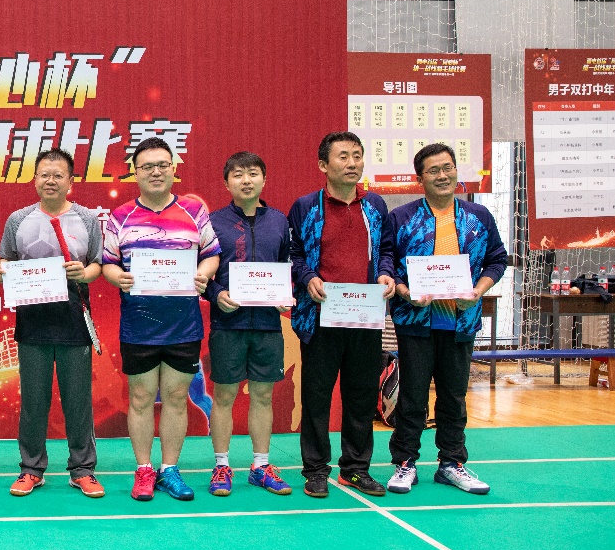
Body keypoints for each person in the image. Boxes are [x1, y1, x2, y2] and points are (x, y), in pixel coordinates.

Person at [101, 137, 221, 502]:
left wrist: (203, 274)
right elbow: (108, 262)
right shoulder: (120, 216)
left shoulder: (194, 211)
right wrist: (117, 277)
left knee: (176, 397)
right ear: (135, 173)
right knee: (140, 398)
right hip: (138, 325)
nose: (156, 172)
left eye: (162, 165)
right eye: (147, 166)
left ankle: (170, 469)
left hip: (184, 324)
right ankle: (144, 469)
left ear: (173, 170)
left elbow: (211, 253)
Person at [385, 143, 507, 495]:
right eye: (434, 170)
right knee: (412, 396)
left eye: (448, 167)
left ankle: (452, 463)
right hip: (415, 322)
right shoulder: (402, 217)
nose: (443, 175)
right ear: (419, 178)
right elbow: (387, 263)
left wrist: (477, 291)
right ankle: (405, 463)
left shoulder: (478, 217)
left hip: (460, 323)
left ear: (456, 171)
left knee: (454, 397)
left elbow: (497, 259)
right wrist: (405, 292)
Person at [288, 131, 395, 498]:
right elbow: (293, 254)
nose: (352, 163)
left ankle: (355, 469)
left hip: (365, 315)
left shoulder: (375, 206)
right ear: (324, 165)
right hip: (320, 318)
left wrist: (386, 273)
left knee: (362, 396)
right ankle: (316, 470)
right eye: (343, 156)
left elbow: (386, 250)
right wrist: (308, 278)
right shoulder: (306, 206)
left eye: (357, 155)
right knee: (316, 398)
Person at [0, 148, 105, 499]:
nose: (51, 181)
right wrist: (0, 272)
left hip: (74, 321)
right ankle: (31, 469)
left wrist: (83, 273)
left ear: (71, 181)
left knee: (78, 401)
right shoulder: (18, 219)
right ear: (35, 180)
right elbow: (4, 262)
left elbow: (98, 264)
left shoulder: (87, 218)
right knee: (34, 401)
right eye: (44, 174)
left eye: (58, 175)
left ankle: (82, 470)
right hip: (33, 324)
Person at [203, 151, 293, 497]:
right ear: (226, 183)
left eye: (253, 173)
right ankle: (221, 465)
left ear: (264, 180)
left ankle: (260, 465)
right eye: (238, 174)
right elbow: (201, 273)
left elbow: (287, 267)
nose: (246, 180)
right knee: (224, 395)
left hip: (268, 325)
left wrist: (286, 294)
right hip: (228, 324)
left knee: (263, 395)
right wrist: (216, 294)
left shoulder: (280, 222)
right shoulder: (213, 222)